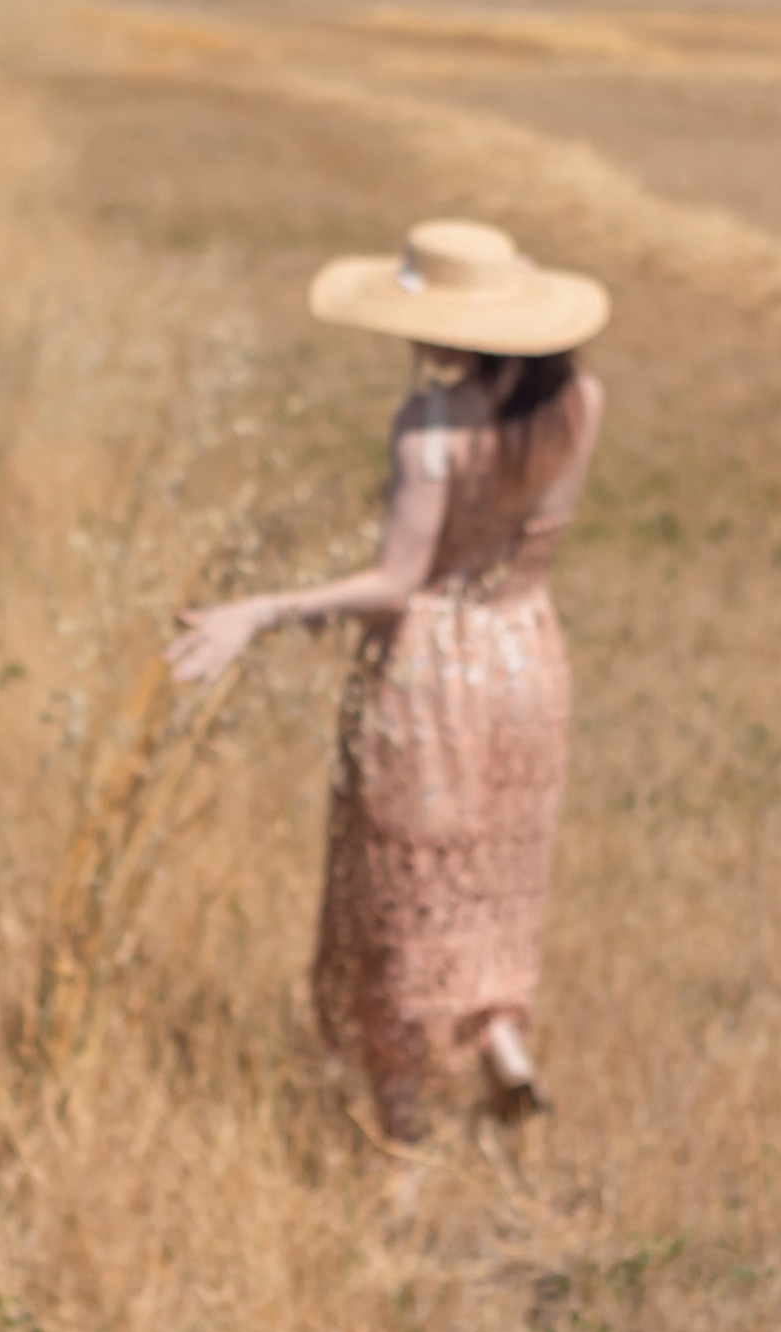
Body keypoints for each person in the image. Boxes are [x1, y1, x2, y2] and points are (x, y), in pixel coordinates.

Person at [164, 219, 610, 1142]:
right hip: (528, 656)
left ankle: (398, 1132)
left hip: (434, 671)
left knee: (399, 892)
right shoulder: (580, 403)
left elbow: (397, 583)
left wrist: (264, 610)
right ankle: (500, 1044)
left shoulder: (432, 423)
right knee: (494, 877)